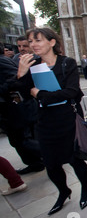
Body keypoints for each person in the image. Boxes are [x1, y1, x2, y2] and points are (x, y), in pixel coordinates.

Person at [14, 28, 87, 215]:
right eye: (30, 41)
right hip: (45, 122)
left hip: (67, 120)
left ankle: (86, 189)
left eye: (37, 40)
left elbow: (71, 92)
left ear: (52, 42)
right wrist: (21, 73)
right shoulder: (31, 66)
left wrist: (41, 95)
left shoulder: (67, 63)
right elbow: (22, 93)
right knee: (51, 164)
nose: (33, 45)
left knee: (75, 160)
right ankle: (64, 192)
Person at [0, 42, 43, 175]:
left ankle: (55, 154)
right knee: (18, 140)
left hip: (18, 109)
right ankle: (36, 163)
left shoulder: (3, 62)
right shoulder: (11, 60)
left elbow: (19, 79)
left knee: (24, 140)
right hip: (13, 109)